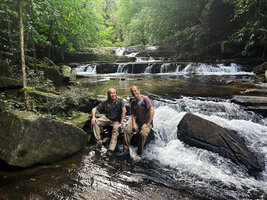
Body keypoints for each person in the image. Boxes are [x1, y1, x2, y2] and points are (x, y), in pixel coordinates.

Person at [91, 88, 126, 157]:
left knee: (115, 129)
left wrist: (121, 123)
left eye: (114, 93)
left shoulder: (120, 101)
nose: (113, 95)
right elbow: (94, 109)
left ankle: (110, 149)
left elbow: (124, 111)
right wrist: (93, 117)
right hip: (107, 119)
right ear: (108, 95)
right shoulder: (105, 102)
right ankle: (99, 142)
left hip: (117, 121)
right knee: (95, 122)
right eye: (111, 93)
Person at [123, 85, 154, 158]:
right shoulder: (133, 102)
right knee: (126, 129)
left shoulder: (145, 99)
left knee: (143, 134)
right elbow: (133, 114)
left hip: (146, 122)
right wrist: (133, 124)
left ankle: (139, 152)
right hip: (137, 121)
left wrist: (147, 124)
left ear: (138, 91)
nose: (134, 93)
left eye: (135, 91)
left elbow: (152, 111)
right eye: (132, 91)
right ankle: (125, 149)